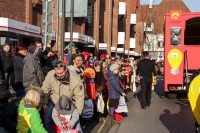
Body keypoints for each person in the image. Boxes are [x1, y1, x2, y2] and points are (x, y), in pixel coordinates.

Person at [42, 61, 85, 133]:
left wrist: (77, 114)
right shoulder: (50, 74)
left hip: (69, 104)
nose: (59, 75)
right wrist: (45, 103)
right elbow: (45, 89)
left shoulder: (75, 79)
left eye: (61, 73)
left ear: (66, 69)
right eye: (57, 73)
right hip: (54, 101)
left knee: (75, 124)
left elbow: (79, 97)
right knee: (47, 119)